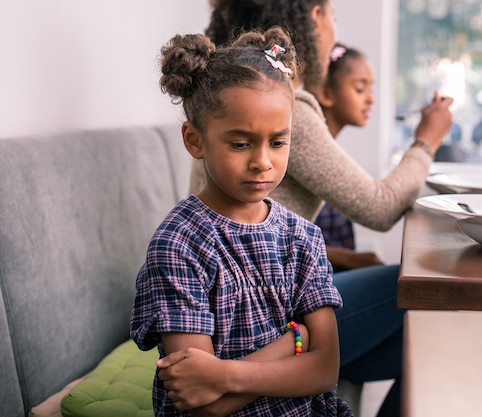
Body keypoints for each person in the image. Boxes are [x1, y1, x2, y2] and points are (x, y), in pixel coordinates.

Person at [182, 1, 454, 415]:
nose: (262, 158)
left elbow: (258, 233)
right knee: (429, 291)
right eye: (333, 15)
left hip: (265, 303)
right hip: (258, 317)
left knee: (424, 343)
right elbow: (380, 208)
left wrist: (340, 257)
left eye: (278, 143)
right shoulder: (283, 104)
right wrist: (426, 141)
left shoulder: (232, 100)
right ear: (314, 16)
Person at [130, 27, 352, 417]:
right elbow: (201, 405)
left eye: (278, 142)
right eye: (240, 143)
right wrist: (293, 342)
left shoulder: (303, 237)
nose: (262, 161)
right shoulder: (179, 244)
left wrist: (224, 375)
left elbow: (324, 370)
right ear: (195, 140)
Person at [313, 42, 383, 272]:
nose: (371, 99)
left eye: (370, 90)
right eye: (360, 89)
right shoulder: (308, 155)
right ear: (326, 93)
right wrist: (351, 259)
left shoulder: (330, 152)